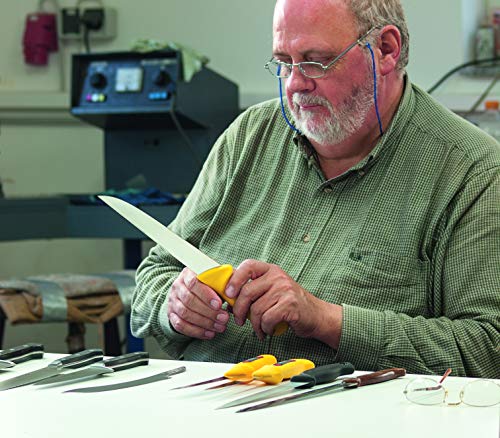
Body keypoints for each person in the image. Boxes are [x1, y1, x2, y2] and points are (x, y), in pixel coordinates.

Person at [131, 0, 500, 378]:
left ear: (386, 50)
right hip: (204, 398)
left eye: (317, 61)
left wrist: (325, 320)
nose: (294, 84)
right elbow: (155, 274)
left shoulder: (471, 173)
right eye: (284, 62)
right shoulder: (248, 137)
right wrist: (175, 307)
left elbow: (488, 350)